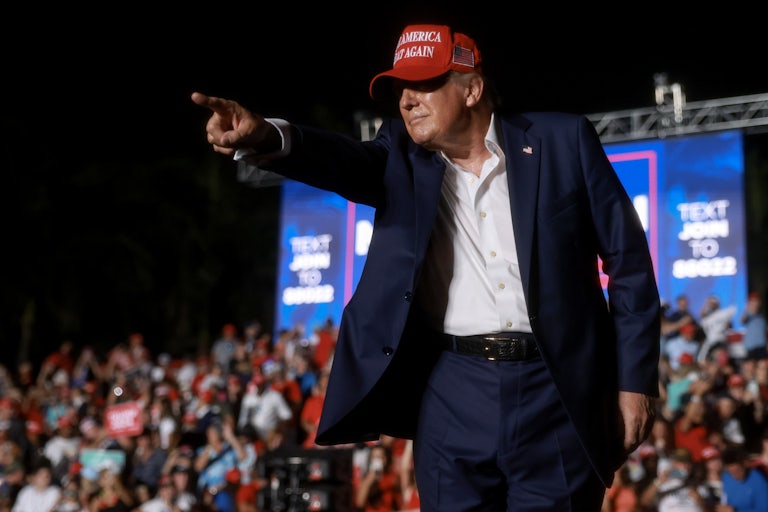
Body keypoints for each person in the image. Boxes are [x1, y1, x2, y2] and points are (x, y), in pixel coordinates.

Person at [192, 22, 661, 511]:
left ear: (472, 88)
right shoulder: (402, 154)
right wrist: (266, 134)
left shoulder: (563, 140)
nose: (407, 100)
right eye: (401, 88)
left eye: (424, 84)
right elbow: (341, 160)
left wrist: (635, 381)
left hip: (557, 391)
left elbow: (628, 264)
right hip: (452, 387)